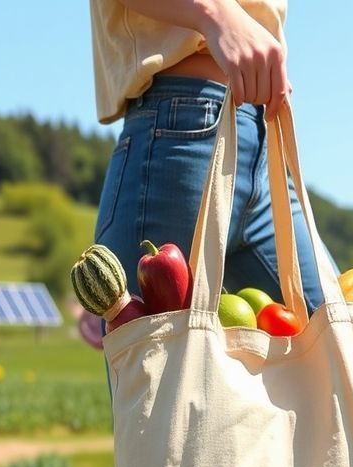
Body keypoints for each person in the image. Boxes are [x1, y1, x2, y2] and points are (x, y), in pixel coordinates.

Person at [88, 0, 337, 315]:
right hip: (177, 134)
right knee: (158, 356)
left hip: (261, 135)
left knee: (341, 340)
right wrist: (215, 12)